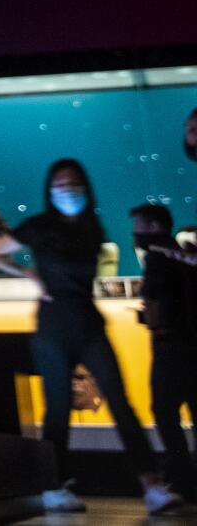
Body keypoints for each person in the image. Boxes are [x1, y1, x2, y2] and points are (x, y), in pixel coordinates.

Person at [0, 160, 185, 515]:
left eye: (73, 183)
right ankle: (54, 486)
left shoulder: (92, 226)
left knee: (120, 400)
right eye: (60, 183)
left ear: (84, 187)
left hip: (88, 321)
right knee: (57, 407)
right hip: (53, 323)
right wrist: (30, 274)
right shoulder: (39, 225)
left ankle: (151, 485)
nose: (67, 189)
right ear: (49, 188)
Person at [132, 202, 196, 498]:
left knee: (164, 411)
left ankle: (182, 477)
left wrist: (147, 317)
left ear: (155, 226)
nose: (135, 233)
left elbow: (154, 304)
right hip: (191, 343)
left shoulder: (156, 256)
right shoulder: (184, 254)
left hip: (169, 345)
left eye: (139, 226)